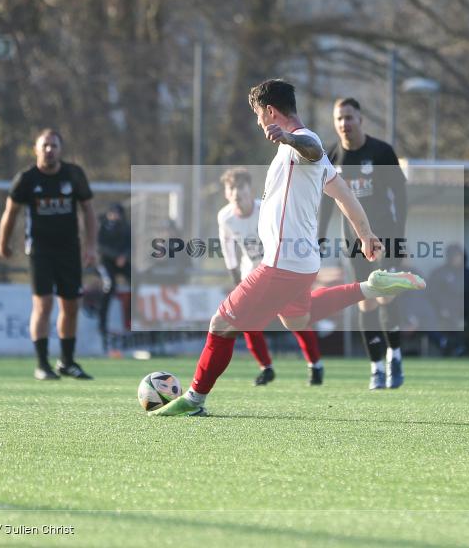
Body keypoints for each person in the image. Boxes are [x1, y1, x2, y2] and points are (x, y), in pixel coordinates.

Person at [150, 79, 424, 416]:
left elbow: (308, 145)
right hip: (301, 262)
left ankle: (194, 400)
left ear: (270, 111)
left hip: (281, 263)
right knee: (298, 320)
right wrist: (366, 234)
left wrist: (289, 137)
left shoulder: (305, 143)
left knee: (220, 324)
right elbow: (345, 195)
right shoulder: (310, 156)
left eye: (258, 115)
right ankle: (370, 286)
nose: (257, 122)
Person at [319, 97, 408, 389]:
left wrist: (400, 236)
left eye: (349, 117)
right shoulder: (331, 157)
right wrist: (318, 238)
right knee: (366, 301)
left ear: (360, 119)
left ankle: (394, 355)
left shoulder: (381, 152)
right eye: (339, 118)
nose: (344, 123)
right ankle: (375, 367)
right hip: (353, 240)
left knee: (386, 294)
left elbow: (401, 196)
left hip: (385, 236)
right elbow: (326, 203)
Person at [0, 128, 98, 381]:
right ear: (36, 149)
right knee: (43, 305)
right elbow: (11, 213)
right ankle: (42, 364)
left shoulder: (74, 175)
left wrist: (91, 245)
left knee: (71, 305)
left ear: (61, 150)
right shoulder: (26, 179)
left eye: (54, 146)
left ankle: (67, 361)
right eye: (45, 146)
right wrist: (3, 242)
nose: (49, 150)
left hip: (69, 250)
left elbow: (88, 210)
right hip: (40, 250)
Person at [217, 167, 324, 386]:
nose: (236, 192)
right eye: (231, 188)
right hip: (253, 275)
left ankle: (315, 365)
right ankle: (266, 368)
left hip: (281, 271)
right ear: (226, 193)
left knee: (295, 320)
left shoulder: (265, 208)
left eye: (240, 187)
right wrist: (237, 280)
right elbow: (228, 250)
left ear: (250, 189)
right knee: (247, 322)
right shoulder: (225, 217)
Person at [427, 244, 469, 355]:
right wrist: (442, 309)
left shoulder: (468, 274)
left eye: (459, 256)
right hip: (442, 310)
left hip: (464, 310)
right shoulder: (439, 273)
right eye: (454, 256)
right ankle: (448, 345)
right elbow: (432, 294)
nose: (457, 259)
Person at [97, 203, 132, 344]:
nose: (115, 216)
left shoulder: (126, 227)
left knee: (137, 282)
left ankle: (131, 320)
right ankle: (102, 323)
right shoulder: (102, 227)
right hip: (106, 262)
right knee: (109, 285)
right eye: (113, 212)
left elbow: (130, 245)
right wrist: (116, 256)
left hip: (122, 261)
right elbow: (100, 246)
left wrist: (124, 256)